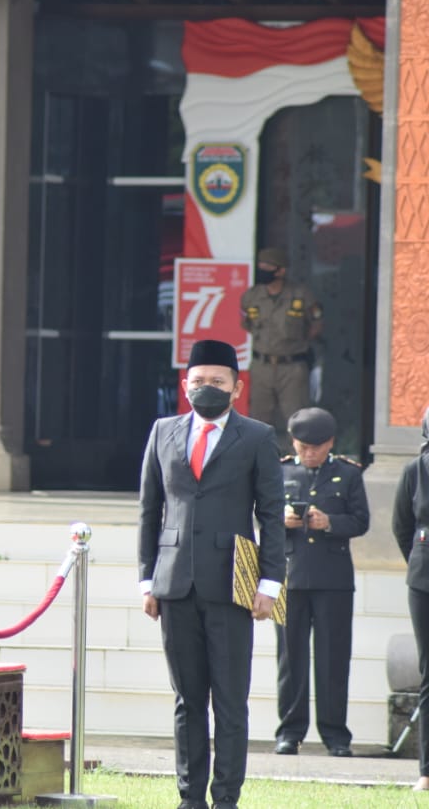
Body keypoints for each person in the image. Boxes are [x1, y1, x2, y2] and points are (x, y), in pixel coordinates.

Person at [138, 338, 285, 809]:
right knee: (187, 700)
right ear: (185, 386)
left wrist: (270, 583)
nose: (207, 388)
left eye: (217, 381)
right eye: (198, 381)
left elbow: (272, 514)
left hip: (233, 584)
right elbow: (150, 511)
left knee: (229, 701)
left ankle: (225, 798)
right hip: (175, 583)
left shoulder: (258, 437)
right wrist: (147, 580)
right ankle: (189, 798)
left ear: (236, 388)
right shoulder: (163, 431)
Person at [273, 407, 369, 758]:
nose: (309, 453)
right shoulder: (279, 471)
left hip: (333, 579)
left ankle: (335, 735)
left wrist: (329, 522)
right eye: (302, 446)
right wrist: (280, 520)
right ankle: (290, 731)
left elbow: (361, 521)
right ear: (293, 442)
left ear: (330, 443)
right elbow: (258, 517)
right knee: (290, 659)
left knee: (333, 659)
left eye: (316, 447)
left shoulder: (347, 473)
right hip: (289, 576)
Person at [239, 247, 323, 452]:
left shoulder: (301, 295)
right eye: (260, 266)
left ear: (281, 270)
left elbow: (317, 324)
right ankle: (258, 465)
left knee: (297, 419)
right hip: (262, 366)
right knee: (258, 420)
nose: (262, 270)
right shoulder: (251, 296)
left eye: (267, 266)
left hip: (292, 367)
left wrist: (297, 344)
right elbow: (246, 323)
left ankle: (300, 464)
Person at [392, 407, 429, 791]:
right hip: (425, 577)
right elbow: (402, 526)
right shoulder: (414, 470)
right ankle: (427, 770)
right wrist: (420, 563)